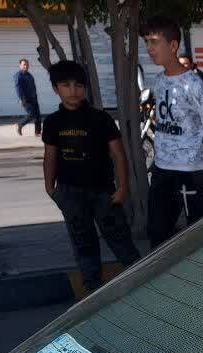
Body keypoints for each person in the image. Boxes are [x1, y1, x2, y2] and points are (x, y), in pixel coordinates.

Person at [41, 60, 141, 294]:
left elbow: (118, 154)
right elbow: (50, 155)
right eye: (66, 85)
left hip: (103, 193)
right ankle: (92, 293)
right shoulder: (53, 122)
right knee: (83, 244)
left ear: (85, 87)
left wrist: (122, 187)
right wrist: (50, 188)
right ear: (56, 89)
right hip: (70, 193)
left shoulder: (100, 119)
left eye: (78, 85)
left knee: (121, 241)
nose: (73, 91)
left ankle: (142, 283)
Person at [141, 16, 203, 249]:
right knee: (157, 232)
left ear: (173, 45)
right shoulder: (159, 80)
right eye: (146, 42)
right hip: (162, 170)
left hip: (190, 173)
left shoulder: (193, 84)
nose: (149, 48)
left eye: (154, 42)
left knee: (196, 236)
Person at [13, 58, 41, 136]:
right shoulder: (18, 75)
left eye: (27, 65)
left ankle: (38, 132)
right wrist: (21, 99)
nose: (26, 66)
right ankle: (19, 124)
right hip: (25, 99)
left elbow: (33, 87)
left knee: (37, 116)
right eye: (24, 65)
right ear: (20, 65)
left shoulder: (29, 75)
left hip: (34, 98)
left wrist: (35, 96)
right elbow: (18, 88)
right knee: (31, 114)